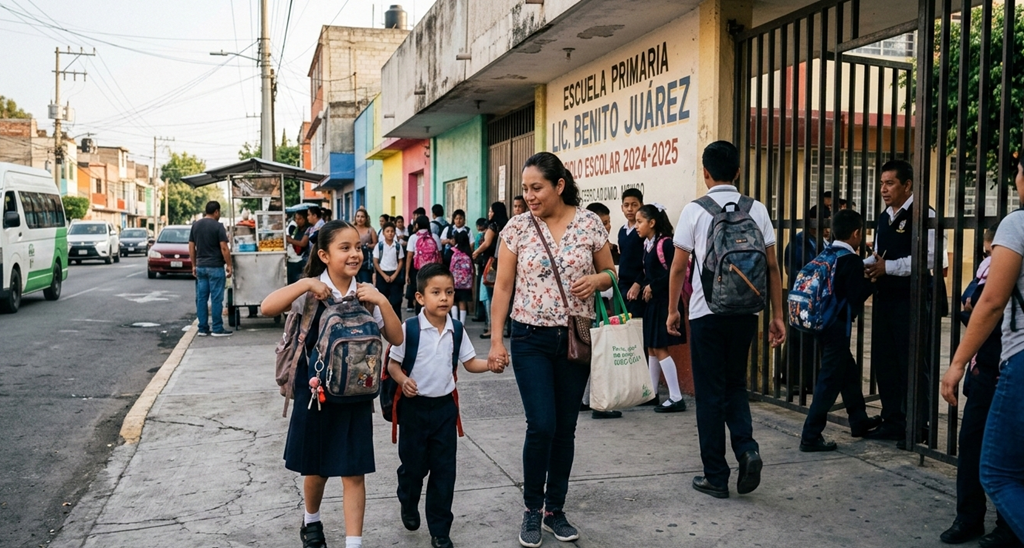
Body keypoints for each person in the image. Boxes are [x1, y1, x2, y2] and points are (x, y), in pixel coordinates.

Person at [487, 151, 615, 547]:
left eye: (536, 188)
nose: (529, 196)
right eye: (525, 189)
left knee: (565, 429)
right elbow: (503, 287)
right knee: (541, 424)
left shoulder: (590, 223)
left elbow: (612, 274)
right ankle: (531, 508)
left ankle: (554, 510)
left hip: (576, 338)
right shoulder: (517, 228)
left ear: (559, 185)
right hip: (530, 339)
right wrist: (495, 340)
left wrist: (596, 282)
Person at [259, 220, 403, 548]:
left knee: (354, 472)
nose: (355, 254)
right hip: (316, 394)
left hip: (354, 396)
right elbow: (268, 307)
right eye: (345, 248)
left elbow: (396, 337)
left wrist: (382, 300)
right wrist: (306, 284)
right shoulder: (309, 291)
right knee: (318, 469)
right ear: (324, 255)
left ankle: (354, 544)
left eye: (358, 247)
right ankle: (311, 521)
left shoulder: (366, 293)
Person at [666, 140, 786, 499]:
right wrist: (777, 315)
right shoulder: (757, 210)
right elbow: (773, 266)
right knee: (735, 385)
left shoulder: (695, 211)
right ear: (738, 171)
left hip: (706, 314)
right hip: (746, 313)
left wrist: (674, 310)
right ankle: (747, 450)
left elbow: (677, 267)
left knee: (709, 394)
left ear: (705, 173)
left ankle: (716, 476)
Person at [387, 263, 504, 548]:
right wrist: (404, 381)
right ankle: (408, 496)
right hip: (414, 410)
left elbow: (469, 363)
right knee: (414, 466)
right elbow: (392, 364)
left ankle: (440, 530)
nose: (444, 298)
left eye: (449, 292)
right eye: (436, 292)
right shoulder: (409, 329)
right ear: (420, 298)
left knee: (444, 471)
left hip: (444, 411)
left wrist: (489, 365)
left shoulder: (457, 329)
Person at [942, 156, 1024, 545]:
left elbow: (989, 303)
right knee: (980, 445)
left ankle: (1008, 528)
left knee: (995, 468)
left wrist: (956, 363)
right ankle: (970, 518)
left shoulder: (1018, 225)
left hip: (1016, 360)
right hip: (992, 366)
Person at [863, 159, 943, 446]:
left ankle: (917, 425)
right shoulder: (884, 217)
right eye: (882, 183)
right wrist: (866, 266)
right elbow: (880, 255)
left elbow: (934, 258)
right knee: (886, 362)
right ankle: (893, 420)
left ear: (907, 185)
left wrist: (890, 268)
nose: (883, 189)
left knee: (912, 362)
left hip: (912, 299)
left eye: (890, 183)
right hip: (885, 298)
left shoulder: (924, 214)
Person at [797, 209, 880, 452]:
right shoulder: (850, 260)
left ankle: (859, 421)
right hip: (836, 326)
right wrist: (872, 283)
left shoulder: (828, 253)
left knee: (848, 371)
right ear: (856, 233)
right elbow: (855, 295)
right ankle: (810, 435)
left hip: (821, 322)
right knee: (830, 380)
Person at [634, 203, 687, 413]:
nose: (636, 226)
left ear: (652, 222)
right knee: (651, 348)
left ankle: (676, 397)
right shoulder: (648, 245)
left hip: (665, 302)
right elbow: (648, 272)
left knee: (660, 348)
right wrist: (641, 284)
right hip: (653, 303)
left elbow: (675, 273)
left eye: (640, 222)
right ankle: (652, 393)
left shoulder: (665, 244)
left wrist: (652, 286)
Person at [580, 202, 623, 420]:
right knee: (601, 355)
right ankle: (600, 404)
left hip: (599, 307)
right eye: (603, 222)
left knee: (595, 355)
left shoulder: (606, 245)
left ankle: (588, 400)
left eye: (608, 222)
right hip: (598, 308)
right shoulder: (595, 246)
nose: (607, 226)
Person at [782, 205, 831, 395]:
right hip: (802, 297)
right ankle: (793, 379)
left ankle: (809, 380)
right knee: (799, 339)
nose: (828, 228)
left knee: (811, 341)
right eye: (825, 222)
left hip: (817, 298)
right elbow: (791, 270)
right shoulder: (799, 242)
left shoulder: (820, 242)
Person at [189, 201, 233, 337]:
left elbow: (191, 246)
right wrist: (229, 265)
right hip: (215, 267)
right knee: (216, 299)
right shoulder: (218, 226)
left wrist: (194, 265)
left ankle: (202, 328)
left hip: (201, 267)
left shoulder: (195, 225)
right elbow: (224, 248)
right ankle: (217, 328)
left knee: (201, 298)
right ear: (216, 212)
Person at [471, 203, 509, 339]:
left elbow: (486, 243)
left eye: (490, 211)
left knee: (489, 297)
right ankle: (502, 327)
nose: (489, 213)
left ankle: (491, 328)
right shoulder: (507, 224)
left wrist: (475, 253)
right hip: (503, 264)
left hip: (490, 265)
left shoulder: (493, 226)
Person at [620, 189, 647, 323]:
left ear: (641, 205)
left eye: (634, 205)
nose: (630, 209)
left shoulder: (644, 230)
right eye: (626, 205)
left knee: (637, 327)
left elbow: (647, 261)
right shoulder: (622, 231)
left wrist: (638, 283)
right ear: (622, 208)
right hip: (623, 286)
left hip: (638, 286)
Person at [406, 215, 442, 315]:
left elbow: (409, 256)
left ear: (417, 225)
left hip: (417, 270)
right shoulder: (434, 237)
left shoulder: (413, 238)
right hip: (432, 270)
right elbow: (439, 255)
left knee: (420, 292)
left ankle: (420, 316)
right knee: (432, 291)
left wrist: (407, 274)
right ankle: (431, 313)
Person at [374, 221, 406, 318]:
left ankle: (397, 323)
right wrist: (384, 275)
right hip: (382, 275)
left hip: (394, 275)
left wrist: (394, 275)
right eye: (387, 231)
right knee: (382, 301)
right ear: (383, 233)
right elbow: (375, 262)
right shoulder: (379, 246)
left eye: (392, 231)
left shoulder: (397, 246)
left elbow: (401, 261)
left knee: (396, 301)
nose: (390, 233)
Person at [446, 230, 474, 324]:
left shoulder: (452, 252)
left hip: (454, 282)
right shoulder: (468, 253)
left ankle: (454, 322)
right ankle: (462, 324)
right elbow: (472, 269)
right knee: (463, 302)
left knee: (454, 301)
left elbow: (447, 265)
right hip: (466, 283)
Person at [352, 208, 378, 284]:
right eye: (358, 216)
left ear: (366, 218)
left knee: (365, 281)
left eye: (362, 217)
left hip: (366, 260)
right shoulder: (351, 229)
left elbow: (375, 244)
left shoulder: (370, 230)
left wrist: (368, 245)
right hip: (353, 257)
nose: (360, 219)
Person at [471, 217, 489, 323]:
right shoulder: (488, 234)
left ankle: (480, 314)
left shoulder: (479, 236)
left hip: (481, 264)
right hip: (487, 264)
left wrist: (475, 255)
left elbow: (476, 249)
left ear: (478, 227)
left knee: (481, 290)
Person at [286, 211, 309, 285]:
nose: (297, 221)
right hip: (294, 258)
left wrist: (290, 240)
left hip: (302, 259)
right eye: (296, 218)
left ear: (305, 219)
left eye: (300, 219)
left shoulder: (308, 230)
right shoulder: (296, 229)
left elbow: (303, 244)